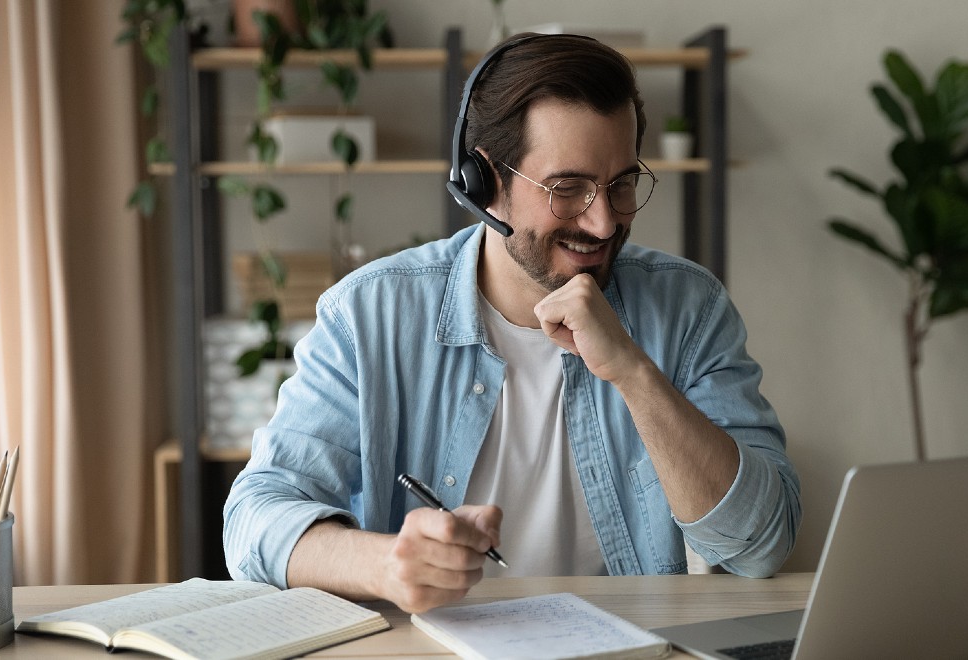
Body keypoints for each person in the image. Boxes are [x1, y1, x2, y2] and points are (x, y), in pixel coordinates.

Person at [223, 33, 800, 614]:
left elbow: (761, 544)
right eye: (567, 188)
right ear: (483, 183)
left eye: (621, 184)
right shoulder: (369, 315)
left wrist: (631, 370)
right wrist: (385, 565)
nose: (603, 224)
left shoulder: (689, 307)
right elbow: (254, 519)